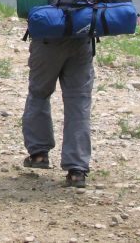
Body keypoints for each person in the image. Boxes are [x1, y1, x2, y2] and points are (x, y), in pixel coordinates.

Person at [21, 36, 95, 188]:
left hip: (46, 41)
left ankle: (38, 154)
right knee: (78, 103)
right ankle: (77, 170)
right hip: (81, 41)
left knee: (39, 95)